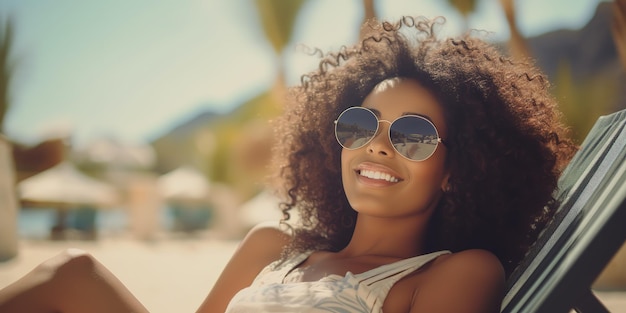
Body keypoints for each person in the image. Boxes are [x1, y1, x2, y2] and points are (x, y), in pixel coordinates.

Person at [0, 16, 577, 313]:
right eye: (360, 127)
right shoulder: (271, 245)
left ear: (457, 170)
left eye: (414, 137)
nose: (378, 147)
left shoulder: (456, 272)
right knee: (72, 270)